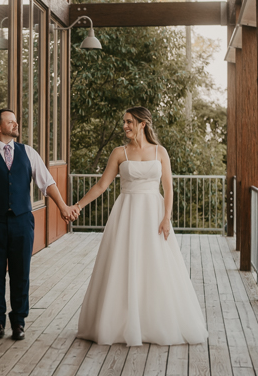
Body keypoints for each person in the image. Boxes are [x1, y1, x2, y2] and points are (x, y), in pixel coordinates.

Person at [75, 106, 208, 346]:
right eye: (124, 121)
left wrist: (166, 217)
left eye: (129, 122)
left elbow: (168, 188)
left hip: (153, 213)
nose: (125, 126)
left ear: (142, 124)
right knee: (123, 264)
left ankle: (153, 322)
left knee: (155, 263)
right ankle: (119, 322)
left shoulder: (160, 152)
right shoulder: (119, 153)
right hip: (126, 213)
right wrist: (78, 206)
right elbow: (101, 186)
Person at [0, 109, 79, 341]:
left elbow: (47, 183)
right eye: (10, 121)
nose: (16, 124)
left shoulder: (28, 152)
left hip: (21, 221)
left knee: (21, 274)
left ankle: (18, 322)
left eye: (16, 121)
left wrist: (63, 207)